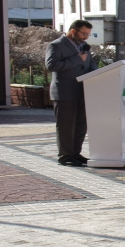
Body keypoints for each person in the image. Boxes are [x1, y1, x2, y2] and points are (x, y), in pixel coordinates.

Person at [45, 20, 97, 167]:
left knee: (81, 125)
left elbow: (90, 63)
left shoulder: (83, 46)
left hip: (83, 91)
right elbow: (51, 65)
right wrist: (76, 59)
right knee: (66, 126)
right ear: (73, 31)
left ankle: (75, 153)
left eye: (88, 34)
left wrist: (97, 73)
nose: (86, 38)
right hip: (65, 92)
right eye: (84, 34)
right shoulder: (56, 45)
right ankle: (65, 155)